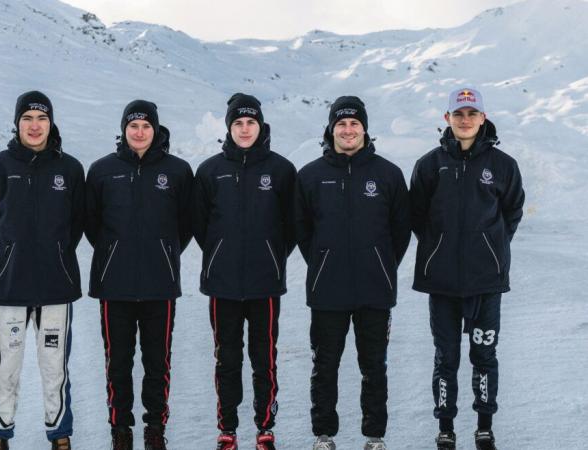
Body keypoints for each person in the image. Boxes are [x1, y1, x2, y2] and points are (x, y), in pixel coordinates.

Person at [0, 91, 84, 450]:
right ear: (17, 124)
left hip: (55, 287)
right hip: (10, 289)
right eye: (28, 119)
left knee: (55, 367)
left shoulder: (69, 169)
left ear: (51, 123)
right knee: (6, 368)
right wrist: (2, 263)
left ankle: (59, 433)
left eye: (42, 119)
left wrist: (59, 256)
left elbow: (77, 224)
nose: (35, 127)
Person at [410, 88, 524, 450]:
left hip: (486, 282)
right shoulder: (430, 165)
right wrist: (439, 247)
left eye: (472, 114)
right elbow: (417, 215)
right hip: (442, 283)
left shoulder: (503, 165)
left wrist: (491, 246)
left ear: (483, 118)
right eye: (458, 114)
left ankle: (484, 425)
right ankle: (446, 426)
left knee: (484, 355)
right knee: (446, 357)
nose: (465, 120)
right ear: (447, 118)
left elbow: (512, 212)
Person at [294, 96, 411, 450]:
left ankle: (374, 436)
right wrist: (323, 259)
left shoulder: (387, 174)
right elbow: (302, 231)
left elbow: (400, 230)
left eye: (354, 124)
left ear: (364, 128)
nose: (347, 130)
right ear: (331, 129)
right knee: (324, 366)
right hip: (327, 290)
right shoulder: (310, 175)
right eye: (341, 124)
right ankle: (324, 434)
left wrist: (381, 262)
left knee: (374, 366)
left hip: (375, 290)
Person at [85, 100, 193, 450]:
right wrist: (113, 251)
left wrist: (165, 250)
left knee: (156, 362)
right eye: (133, 126)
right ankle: (120, 428)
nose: (140, 132)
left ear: (156, 129)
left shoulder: (177, 171)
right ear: (124, 130)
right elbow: (90, 223)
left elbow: (187, 224)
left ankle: (154, 427)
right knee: (117, 361)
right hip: (113, 284)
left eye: (146, 126)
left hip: (159, 284)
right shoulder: (102, 170)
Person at [192, 93, 296, 450]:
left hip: (265, 283)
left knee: (263, 357)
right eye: (238, 123)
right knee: (227, 357)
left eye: (250, 122)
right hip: (222, 284)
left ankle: (265, 426)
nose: (245, 128)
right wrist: (220, 252)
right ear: (229, 127)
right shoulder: (210, 171)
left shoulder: (281, 170)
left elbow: (292, 224)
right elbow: (198, 223)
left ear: (260, 126)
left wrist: (272, 255)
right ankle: (228, 427)